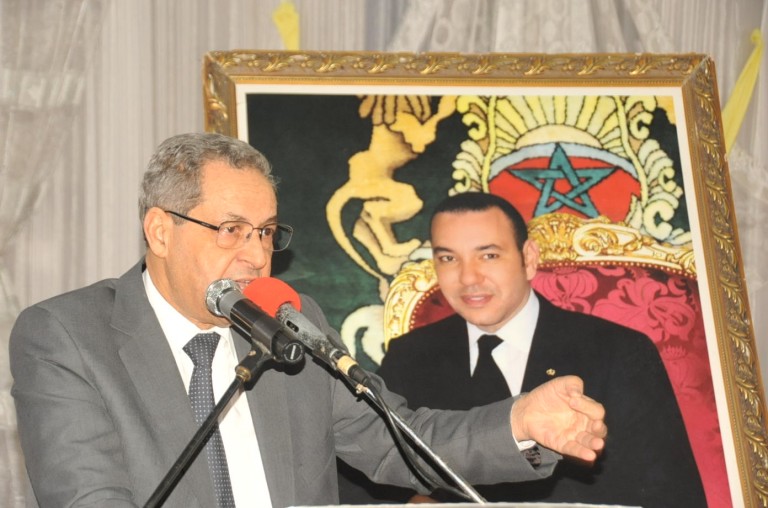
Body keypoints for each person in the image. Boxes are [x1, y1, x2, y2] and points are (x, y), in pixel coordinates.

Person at [9, 133, 607, 508]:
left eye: (266, 232)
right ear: (161, 232)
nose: (255, 255)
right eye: (231, 230)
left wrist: (520, 422)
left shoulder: (288, 321)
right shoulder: (67, 337)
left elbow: (394, 439)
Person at [350, 192, 705, 507]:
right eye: (448, 259)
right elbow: (363, 479)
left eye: (488, 255)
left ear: (529, 258)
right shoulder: (410, 356)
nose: (468, 278)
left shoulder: (619, 351)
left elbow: (673, 492)